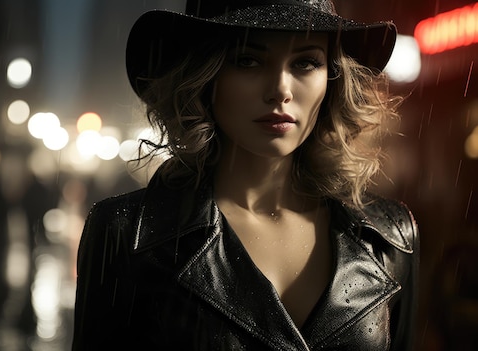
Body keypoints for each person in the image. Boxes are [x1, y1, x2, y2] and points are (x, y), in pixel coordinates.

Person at [72, 0, 419, 350]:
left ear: (331, 77)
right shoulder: (127, 233)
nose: (281, 90)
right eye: (248, 60)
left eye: (306, 62)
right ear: (206, 75)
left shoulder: (389, 238)